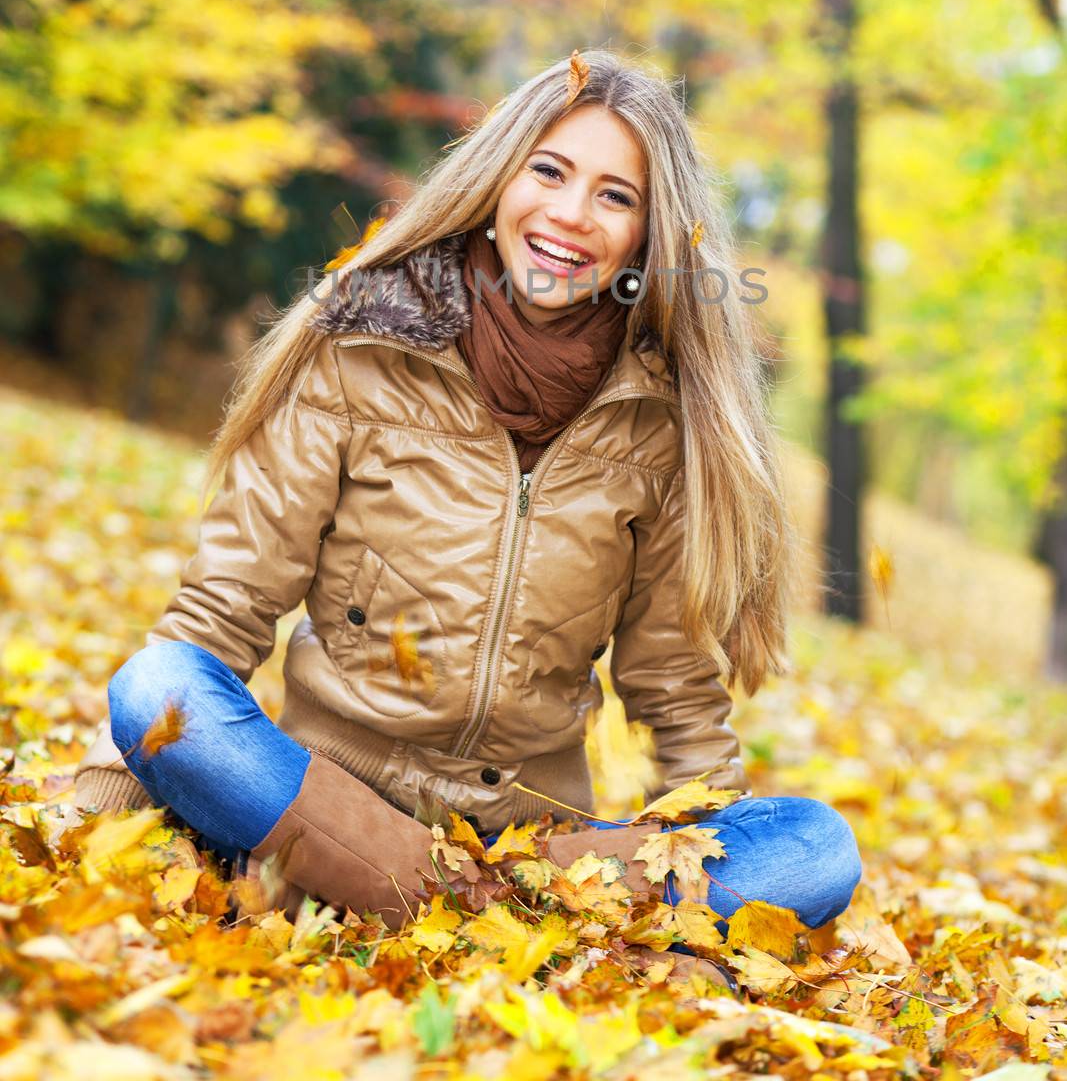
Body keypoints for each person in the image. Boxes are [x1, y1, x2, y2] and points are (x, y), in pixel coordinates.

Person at [74, 50, 861, 937]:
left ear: (649, 231)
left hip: (534, 839)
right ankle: (471, 909)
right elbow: (219, 615)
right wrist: (81, 827)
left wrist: (703, 846)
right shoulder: (361, 350)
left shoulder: (661, 422)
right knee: (156, 689)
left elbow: (672, 686)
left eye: (615, 195)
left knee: (815, 846)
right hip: (322, 794)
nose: (570, 214)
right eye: (550, 171)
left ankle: (418, 894)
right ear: (498, 178)